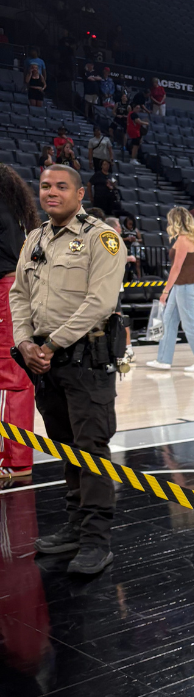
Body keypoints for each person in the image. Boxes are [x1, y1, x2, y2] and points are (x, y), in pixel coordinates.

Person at [9, 165, 126, 574]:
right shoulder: (34, 239)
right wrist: (25, 343)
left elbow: (100, 303)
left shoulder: (102, 238)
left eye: (61, 186)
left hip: (86, 362)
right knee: (64, 446)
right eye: (45, 186)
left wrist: (50, 343)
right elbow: (19, 295)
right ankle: (75, 527)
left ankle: (97, 540)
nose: (51, 193)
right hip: (44, 364)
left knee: (91, 450)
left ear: (80, 193)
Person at [0, 166, 41, 481]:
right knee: (17, 373)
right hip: (20, 288)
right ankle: (18, 457)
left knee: (9, 376)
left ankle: (11, 458)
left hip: (6, 289)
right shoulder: (14, 205)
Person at [145, 208, 194, 372]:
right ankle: (163, 360)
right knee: (168, 321)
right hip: (185, 284)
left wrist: (165, 291)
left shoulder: (182, 239)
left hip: (186, 286)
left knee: (190, 325)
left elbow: (176, 267)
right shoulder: (191, 237)